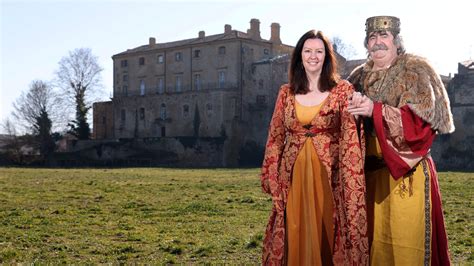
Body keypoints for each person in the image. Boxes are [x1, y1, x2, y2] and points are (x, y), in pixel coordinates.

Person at [347, 16, 454, 265]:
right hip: (368, 179)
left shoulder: (416, 71)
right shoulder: (357, 77)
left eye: (384, 36)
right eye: (372, 38)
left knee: (407, 250)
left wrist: (374, 109)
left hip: (408, 175)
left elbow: (421, 127)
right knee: (373, 249)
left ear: (396, 41)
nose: (377, 43)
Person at [260, 29, 368, 265]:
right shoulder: (285, 93)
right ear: (299, 56)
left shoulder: (343, 91)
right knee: (295, 230)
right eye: (307, 51)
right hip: (293, 176)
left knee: (327, 231)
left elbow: (350, 135)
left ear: (327, 57)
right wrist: (272, 175)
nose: (313, 56)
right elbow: (275, 137)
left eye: (319, 51)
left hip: (329, 177)